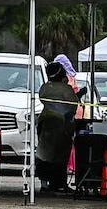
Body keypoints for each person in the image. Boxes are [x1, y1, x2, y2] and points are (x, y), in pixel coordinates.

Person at [37, 61, 79, 191]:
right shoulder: (66, 89)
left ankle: (44, 182)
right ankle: (59, 183)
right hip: (63, 124)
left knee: (43, 153)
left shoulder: (44, 87)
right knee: (60, 155)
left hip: (45, 122)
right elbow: (73, 106)